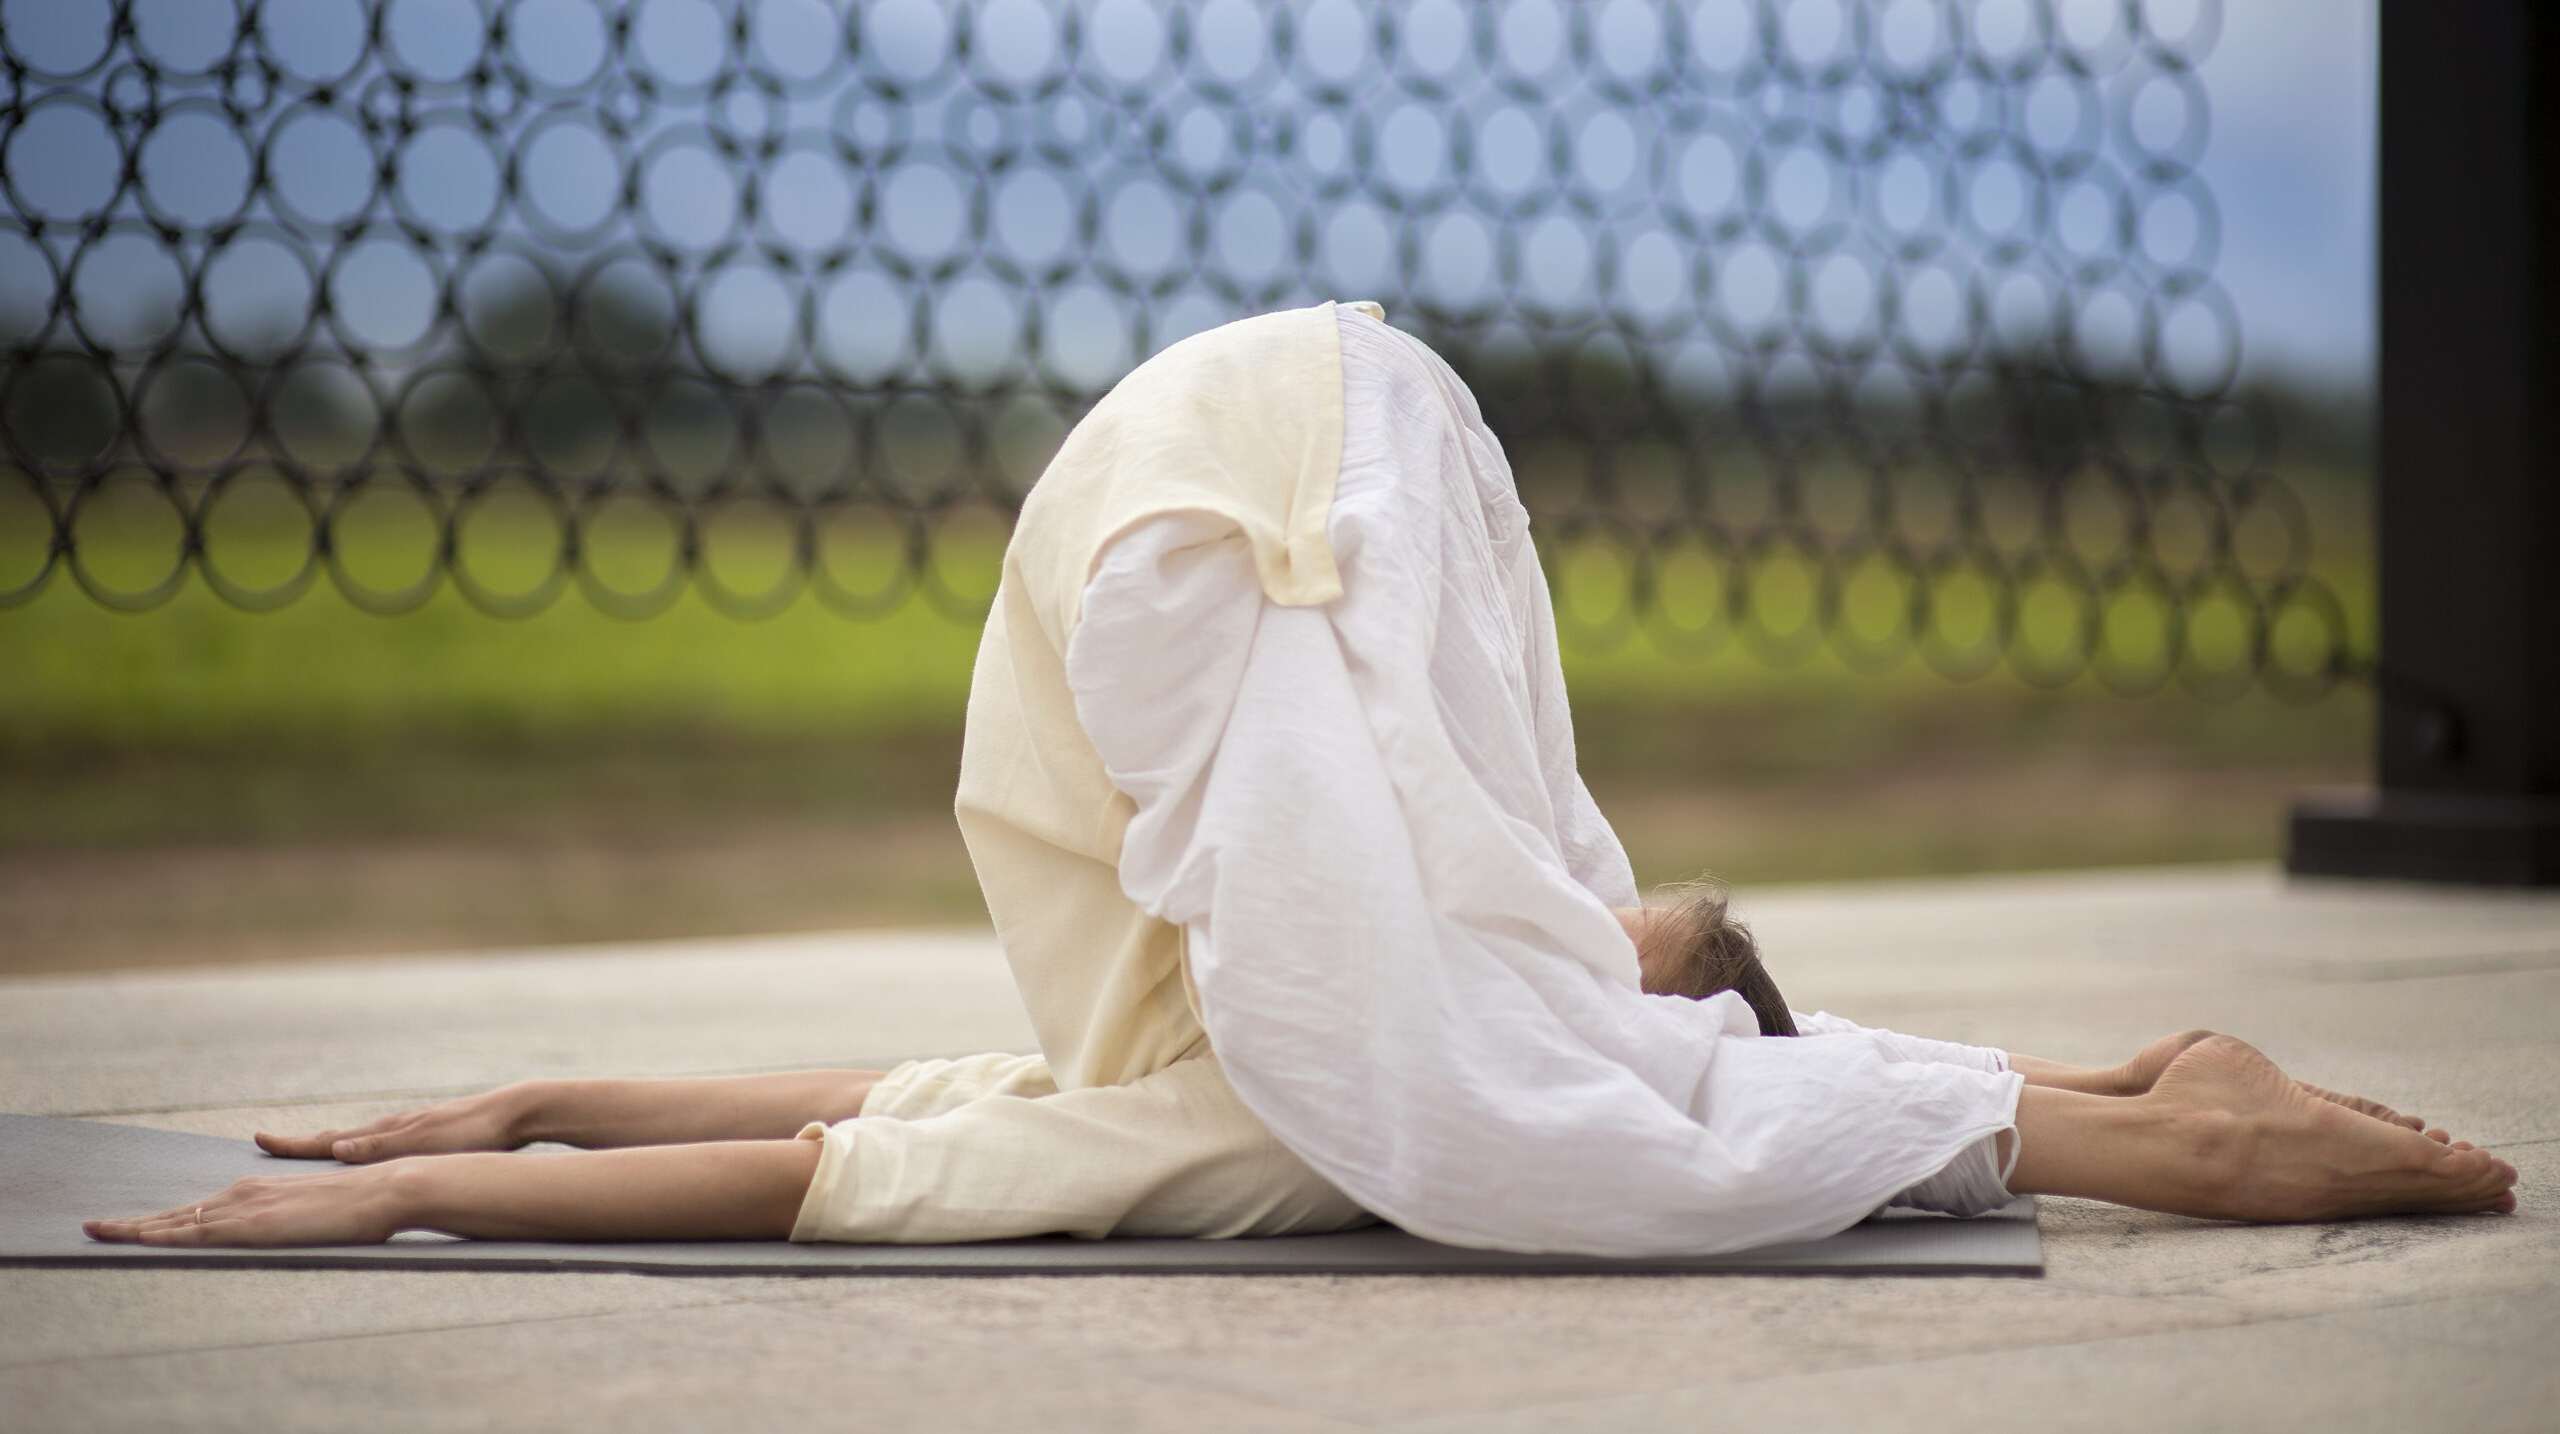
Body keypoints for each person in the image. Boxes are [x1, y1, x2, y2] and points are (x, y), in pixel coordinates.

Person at [87, 305, 2516, 1253]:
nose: (1608, 916)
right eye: (1646, 935)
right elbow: (862, 1103)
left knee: (1547, 1024)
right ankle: (2167, 1112)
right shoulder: (1293, 1031)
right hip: (1309, 455)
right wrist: (505, 1112)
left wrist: (453, 1182)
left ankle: (2176, 1119)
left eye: (1638, 953)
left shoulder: (1278, 1079)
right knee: (1505, 909)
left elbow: (826, 1147)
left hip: (1275, 447)